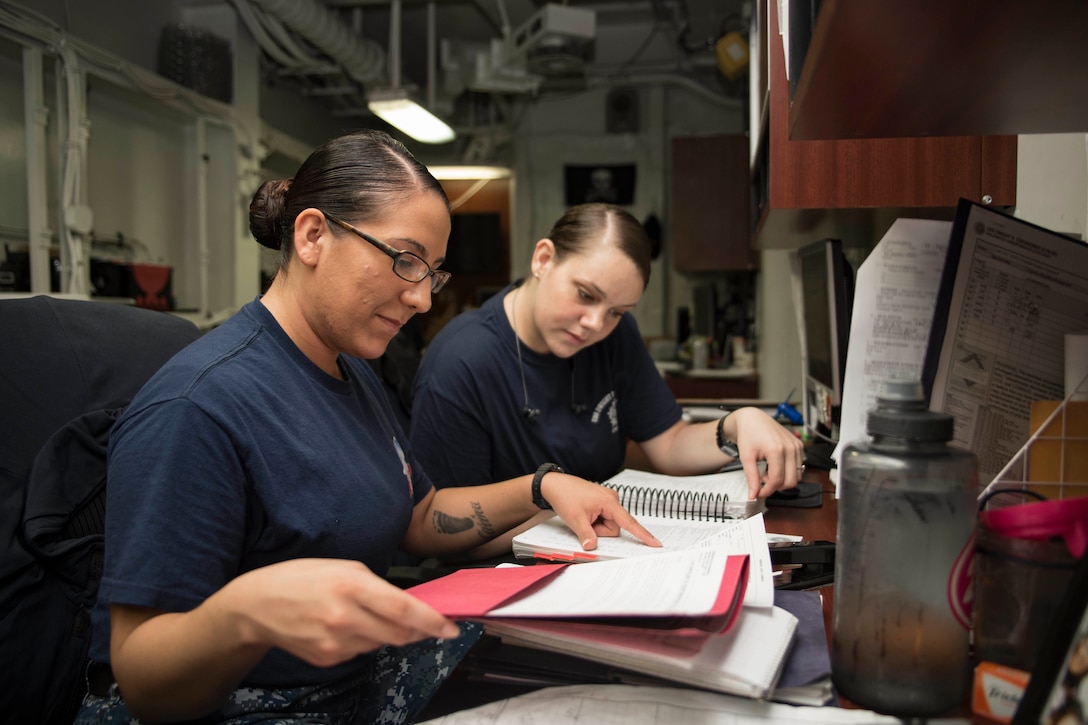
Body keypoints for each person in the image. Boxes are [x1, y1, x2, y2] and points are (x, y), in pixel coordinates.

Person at [74, 131, 658, 724]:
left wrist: (542, 486)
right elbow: (141, 678)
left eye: (432, 272)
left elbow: (420, 515)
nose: (423, 298)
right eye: (405, 260)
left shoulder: (349, 367)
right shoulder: (197, 407)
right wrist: (245, 614)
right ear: (311, 237)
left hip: (348, 684)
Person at [410, 202, 804, 556]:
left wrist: (737, 423)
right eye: (585, 295)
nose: (595, 324)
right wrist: (550, 514)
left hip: (599, 550)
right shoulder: (461, 361)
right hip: (506, 573)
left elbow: (668, 445)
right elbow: (439, 534)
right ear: (543, 260)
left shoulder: (616, 335)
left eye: (617, 311)